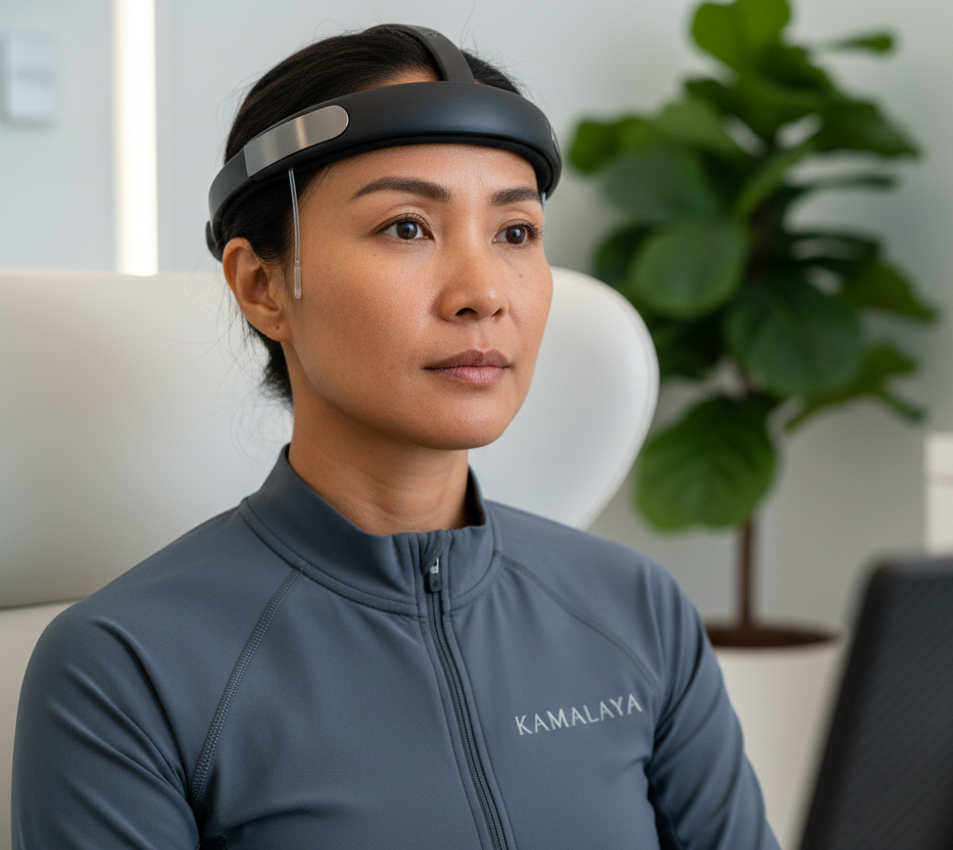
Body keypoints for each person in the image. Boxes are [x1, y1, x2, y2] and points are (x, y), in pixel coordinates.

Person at [11, 24, 780, 850]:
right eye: (407, 227)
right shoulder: (122, 669)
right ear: (263, 285)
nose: (483, 293)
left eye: (515, 233)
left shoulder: (637, 609)